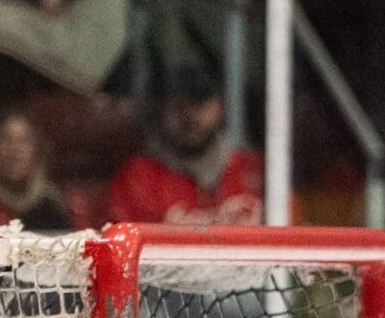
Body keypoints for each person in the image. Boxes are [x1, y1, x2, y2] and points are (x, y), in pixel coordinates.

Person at [106, 67, 267, 226]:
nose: (188, 114)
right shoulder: (137, 178)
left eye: (200, 101)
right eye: (176, 103)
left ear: (221, 104)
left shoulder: (255, 170)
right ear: (159, 108)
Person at [0, 106, 70, 233]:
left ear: (36, 149)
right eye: (6, 140)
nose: (15, 151)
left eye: (23, 141)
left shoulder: (50, 205)